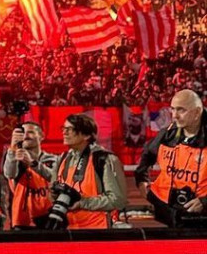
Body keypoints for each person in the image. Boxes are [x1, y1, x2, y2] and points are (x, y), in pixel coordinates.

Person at [134, 89, 207, 226]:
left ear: (197, 112)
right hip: (168, 213)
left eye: (181, 110)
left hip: (201, 218)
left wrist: (204, 201)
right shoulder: (167, 134)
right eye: (173, 109)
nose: (175, 116)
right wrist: (141, 180)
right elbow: (147, 155)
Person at [49, 113, 127, 228]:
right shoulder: (62, 159)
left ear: (86, 135)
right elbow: (52, 196)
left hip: (97, 231)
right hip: (68, 230)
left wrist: (83, 203)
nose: (64, 132)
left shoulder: (104, 159)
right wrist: (54, 194)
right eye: (64, 128)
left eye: (70, 129)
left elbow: (118, 200)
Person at [2, 120, 58, 229]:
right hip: (22, 220)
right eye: (23, 133)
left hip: (50, 217)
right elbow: (9, 174)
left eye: (31, 132)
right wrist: (12, 149)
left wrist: (32, 163)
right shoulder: (14, 159)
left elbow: (55, 178)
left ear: (42, 136)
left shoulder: (54, 159)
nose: (26, 135)